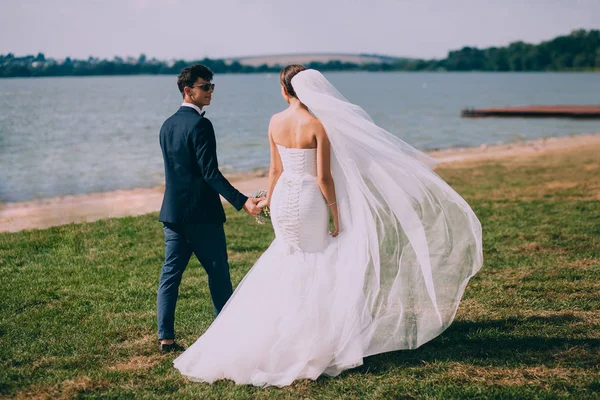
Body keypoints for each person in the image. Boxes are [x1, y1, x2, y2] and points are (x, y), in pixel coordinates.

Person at [173, 65, 483, 386]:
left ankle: (278, 332)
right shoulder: (317, 125)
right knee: (317, 260)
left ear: (284, 91)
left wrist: (269, 200)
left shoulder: (274, 121)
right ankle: (314, 339)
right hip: (309, 200)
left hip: (283, 201)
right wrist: (335, 212)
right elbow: (323, 178)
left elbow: (274, 170)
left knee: (289, 258)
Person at [156, 64, 264, 352]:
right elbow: (210, 172)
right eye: (205, 87)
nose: (210, 92)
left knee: (171, 275)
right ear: (188, 91)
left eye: (212, 86)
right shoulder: (201, 125)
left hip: (173, 214)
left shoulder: (167, 125)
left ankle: (166, 338)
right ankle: (227, 334)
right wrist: (243, 201)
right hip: (202, 216)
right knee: (218, 275)